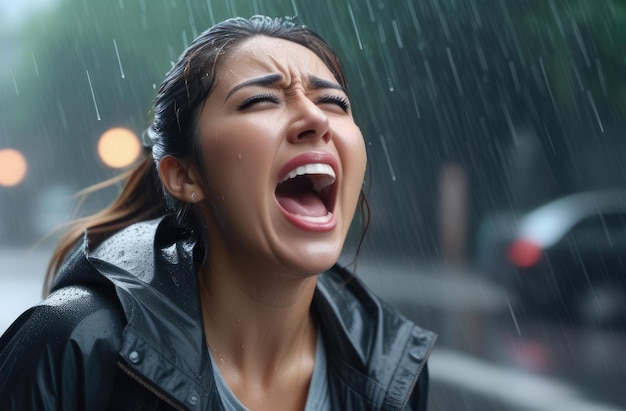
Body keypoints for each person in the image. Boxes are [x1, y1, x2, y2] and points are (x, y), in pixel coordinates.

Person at [0, 15, 436, 410]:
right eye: (262, 100)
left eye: (334, 103)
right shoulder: (73, 344)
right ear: (185, 176)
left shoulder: (391, 374)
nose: (315, 119)